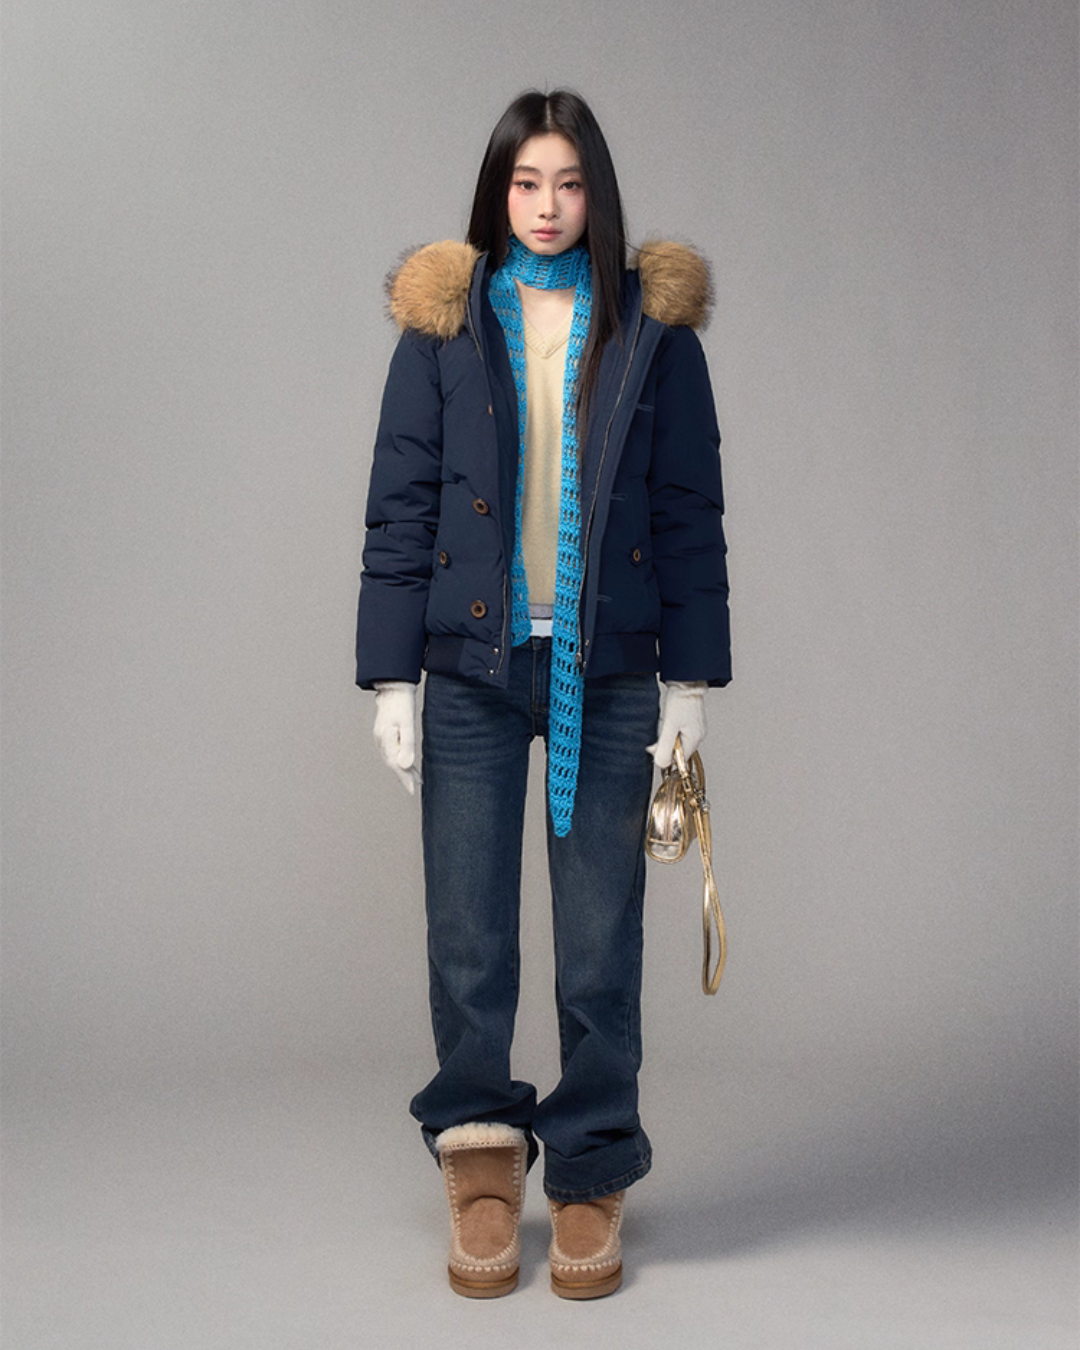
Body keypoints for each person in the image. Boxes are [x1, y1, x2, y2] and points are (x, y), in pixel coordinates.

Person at [355, 89, 730, 1299]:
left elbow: (688, 514)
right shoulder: (446, 322)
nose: (548, 205)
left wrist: (688, 684)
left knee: (599, 943)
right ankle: (478, 1157)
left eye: (569, 183)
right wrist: (390, 676)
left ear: (595, 192)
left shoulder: (654, 332)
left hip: (607, 669)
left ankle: (590, 1170)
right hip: (471, 668)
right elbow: (401, 505)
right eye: (527, 183)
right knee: (468, 934)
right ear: (499, 191)